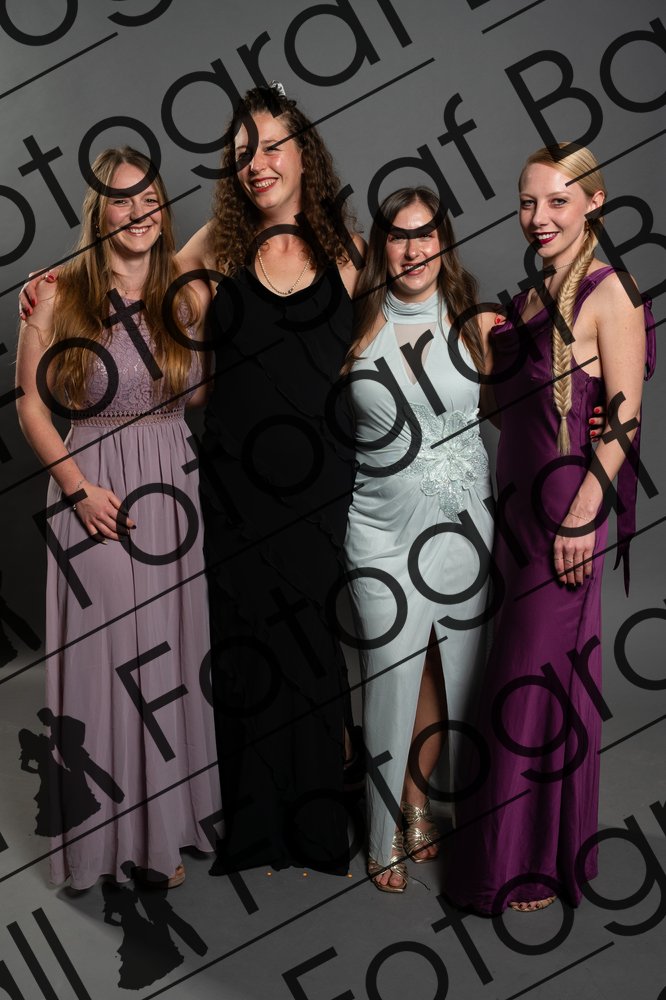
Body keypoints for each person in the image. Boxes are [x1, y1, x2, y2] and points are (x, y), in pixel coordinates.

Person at [445, 143, 656, 914]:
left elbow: (624, 419)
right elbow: (512, 411)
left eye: (558, 200)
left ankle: (522, 865)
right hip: (516, 509)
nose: (539, 216)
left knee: (528, 680)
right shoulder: (535, 296)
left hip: (567, 511)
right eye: (529, 201)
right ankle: (543, 847)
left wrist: (583, 515)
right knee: (537, 676)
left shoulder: (611, 292)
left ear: (595, 202)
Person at [16, 147, 220, 890]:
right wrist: (77, 489)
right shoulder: (58, 293)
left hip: (173, 487)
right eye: (122, 201)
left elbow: (198, 395)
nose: (139, 213)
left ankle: (166, 828)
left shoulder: (185, 295)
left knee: (167, 656)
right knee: (107, 663)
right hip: (94, 487)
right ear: (97, 214)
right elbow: (30, 407)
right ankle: (104, 842)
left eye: (150, 199)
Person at [176, 85, 365, 875]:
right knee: (244, 637)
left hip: (319, 485)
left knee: (310, 636)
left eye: (273, 145)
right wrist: (51, 291)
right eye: (242, 153)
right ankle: (251, 820)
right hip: (234, 487)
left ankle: (316, 819)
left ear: (304, 154)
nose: (257, 163)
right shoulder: (219, 253)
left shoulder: (349, 254)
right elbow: (145, 277)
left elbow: (412, 331)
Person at [342, 186, 500, 891]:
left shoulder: (477, 322)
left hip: (462, 530)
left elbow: (531, 405)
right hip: (377, 530)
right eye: (400, 236)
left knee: (448, 671)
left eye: (427, 234)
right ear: (383, 245)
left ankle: (418, 802)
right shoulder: (351, 322)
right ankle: (380, 833)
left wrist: (590, 420)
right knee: (390, 670)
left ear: (444, 243)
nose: (414, 249)